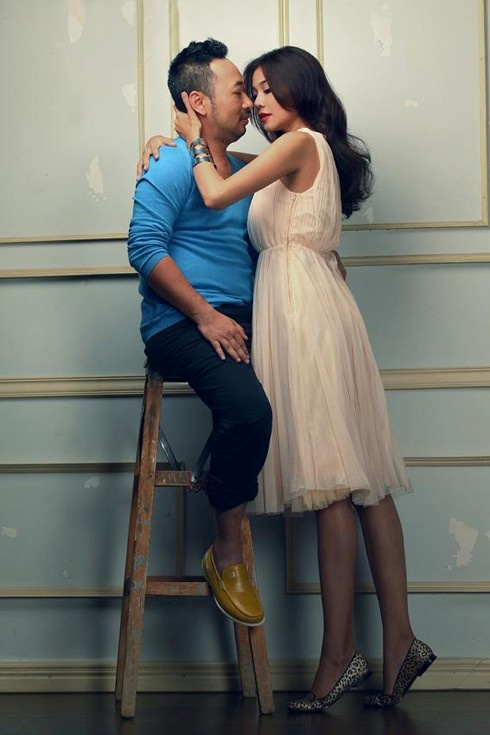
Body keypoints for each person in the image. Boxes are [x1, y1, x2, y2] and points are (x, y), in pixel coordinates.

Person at [141, 43, 436, 712]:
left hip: (305, 313)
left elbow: (214, 187)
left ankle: (340, 657)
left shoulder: (300, 144)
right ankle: (398, 640)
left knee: (335, 480)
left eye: (269, 89)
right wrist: (168, 142)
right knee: (361, 478)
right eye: (251, 91)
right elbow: (230, 165)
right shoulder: (288, 155)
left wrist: (188, 137)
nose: (257, 101)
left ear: (301, 89)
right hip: (316, 304)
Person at [127, 39, 274, 628]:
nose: (249, 103)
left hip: (245, 317)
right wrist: (205, 315)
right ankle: (227, 552)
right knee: (249, 411)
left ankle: (219, 466)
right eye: (239, 91)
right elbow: (143, 248)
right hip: (180, 322)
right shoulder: (168, 164)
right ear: (198, 102)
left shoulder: (243, 172)